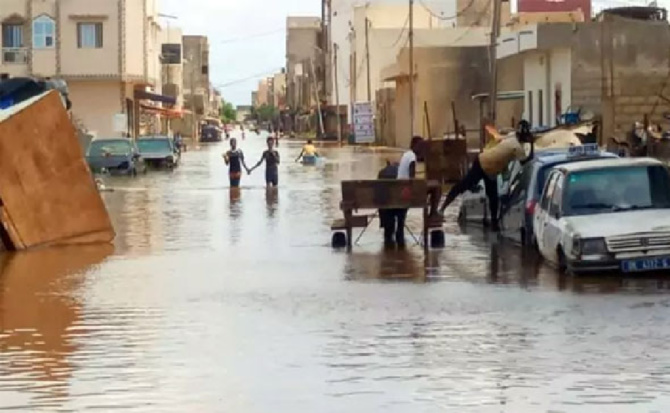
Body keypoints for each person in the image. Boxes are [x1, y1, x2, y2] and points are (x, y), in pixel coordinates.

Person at [439, 120, 535, 231]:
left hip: (491, 171)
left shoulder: (511, 136)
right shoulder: (517, 148)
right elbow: (527, 161)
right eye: (526, 137)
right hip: (482, 164)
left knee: (493, 198)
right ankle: (442, 209)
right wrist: (531, 144)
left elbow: (508, 134)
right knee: (462, 186)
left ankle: (494, 224)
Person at [377, 160, 404, 247]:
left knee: (383, 202)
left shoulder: (382, 173)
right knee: (404, 202)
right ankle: (400, 231)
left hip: (386, 207)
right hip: (400, 207)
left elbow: (378, 193)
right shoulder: (402, 174)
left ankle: (387, 233)